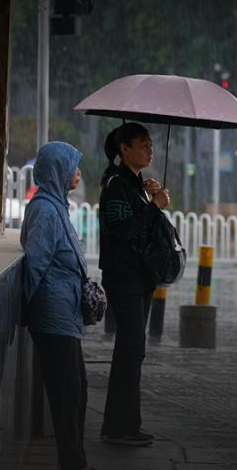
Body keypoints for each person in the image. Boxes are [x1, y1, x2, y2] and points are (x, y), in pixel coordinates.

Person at [20, 141, 92, 470]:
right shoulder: (46, 210)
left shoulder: (56, 204)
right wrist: (26, 307)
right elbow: (35, 261)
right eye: (71, 166)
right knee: (67, 396)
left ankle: (74, 459)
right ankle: (72, 463)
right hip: (53, 313)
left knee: (76, 391)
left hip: (65, 311)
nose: (77, 172)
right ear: (57, 171)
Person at [98, 122, 170, 446]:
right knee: (130, 351)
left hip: (140, 278)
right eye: (142, 144)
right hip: (123, 277)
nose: (149, 149)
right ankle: (117, 427)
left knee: (132, 353)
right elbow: (123, 231)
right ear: (124, 149)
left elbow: (145, 229)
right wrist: (153, 207)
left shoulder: (137, 184)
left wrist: (152, 198)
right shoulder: (116, 185)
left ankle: (127, 424)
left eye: (150, 144)